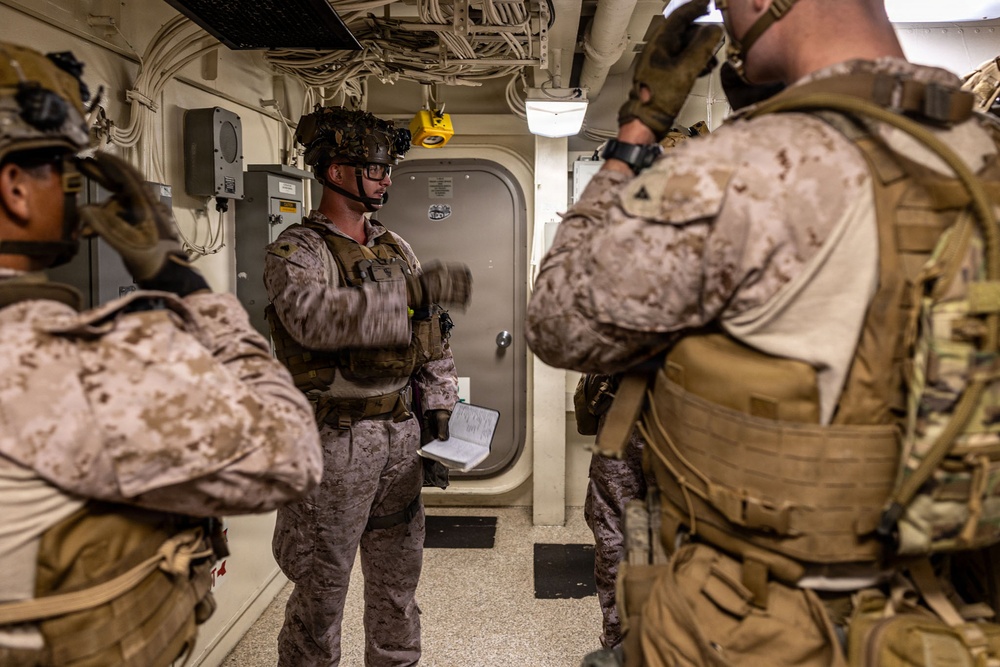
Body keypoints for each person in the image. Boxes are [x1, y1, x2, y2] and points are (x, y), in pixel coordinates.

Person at [526, 0, 1000, 664]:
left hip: (753, 617)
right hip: (946, 616)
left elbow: (557, 320)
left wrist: (636, 133)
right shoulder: (981, 150)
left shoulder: (739, 168)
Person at [0, 42, 323, 667]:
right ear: (15, 187)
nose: (73, 192)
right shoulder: (62, 362)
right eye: (63, 170)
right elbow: (290, 455)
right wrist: (185, 284)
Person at [265, 106, 471, 666]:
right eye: (375, 169)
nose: (385, 180)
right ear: (335, 172)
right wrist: (410, 295)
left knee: (398, 585)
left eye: (387, 170)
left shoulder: (394, 247)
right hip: (335, 440)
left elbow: (432, 335)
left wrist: (439, 408)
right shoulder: (298, 250)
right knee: (320, 591)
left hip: (399, 436)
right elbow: (312, 319)